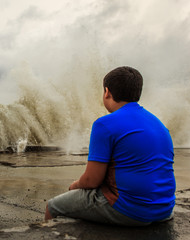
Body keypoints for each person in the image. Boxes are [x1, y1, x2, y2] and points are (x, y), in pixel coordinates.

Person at [45, 66, 176, 226]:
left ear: (107, 92)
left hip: (132, 210)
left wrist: (75, 186)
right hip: (165, 208)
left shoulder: (104, 124)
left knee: (53, 206)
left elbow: (92, 180)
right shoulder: (158, 124)